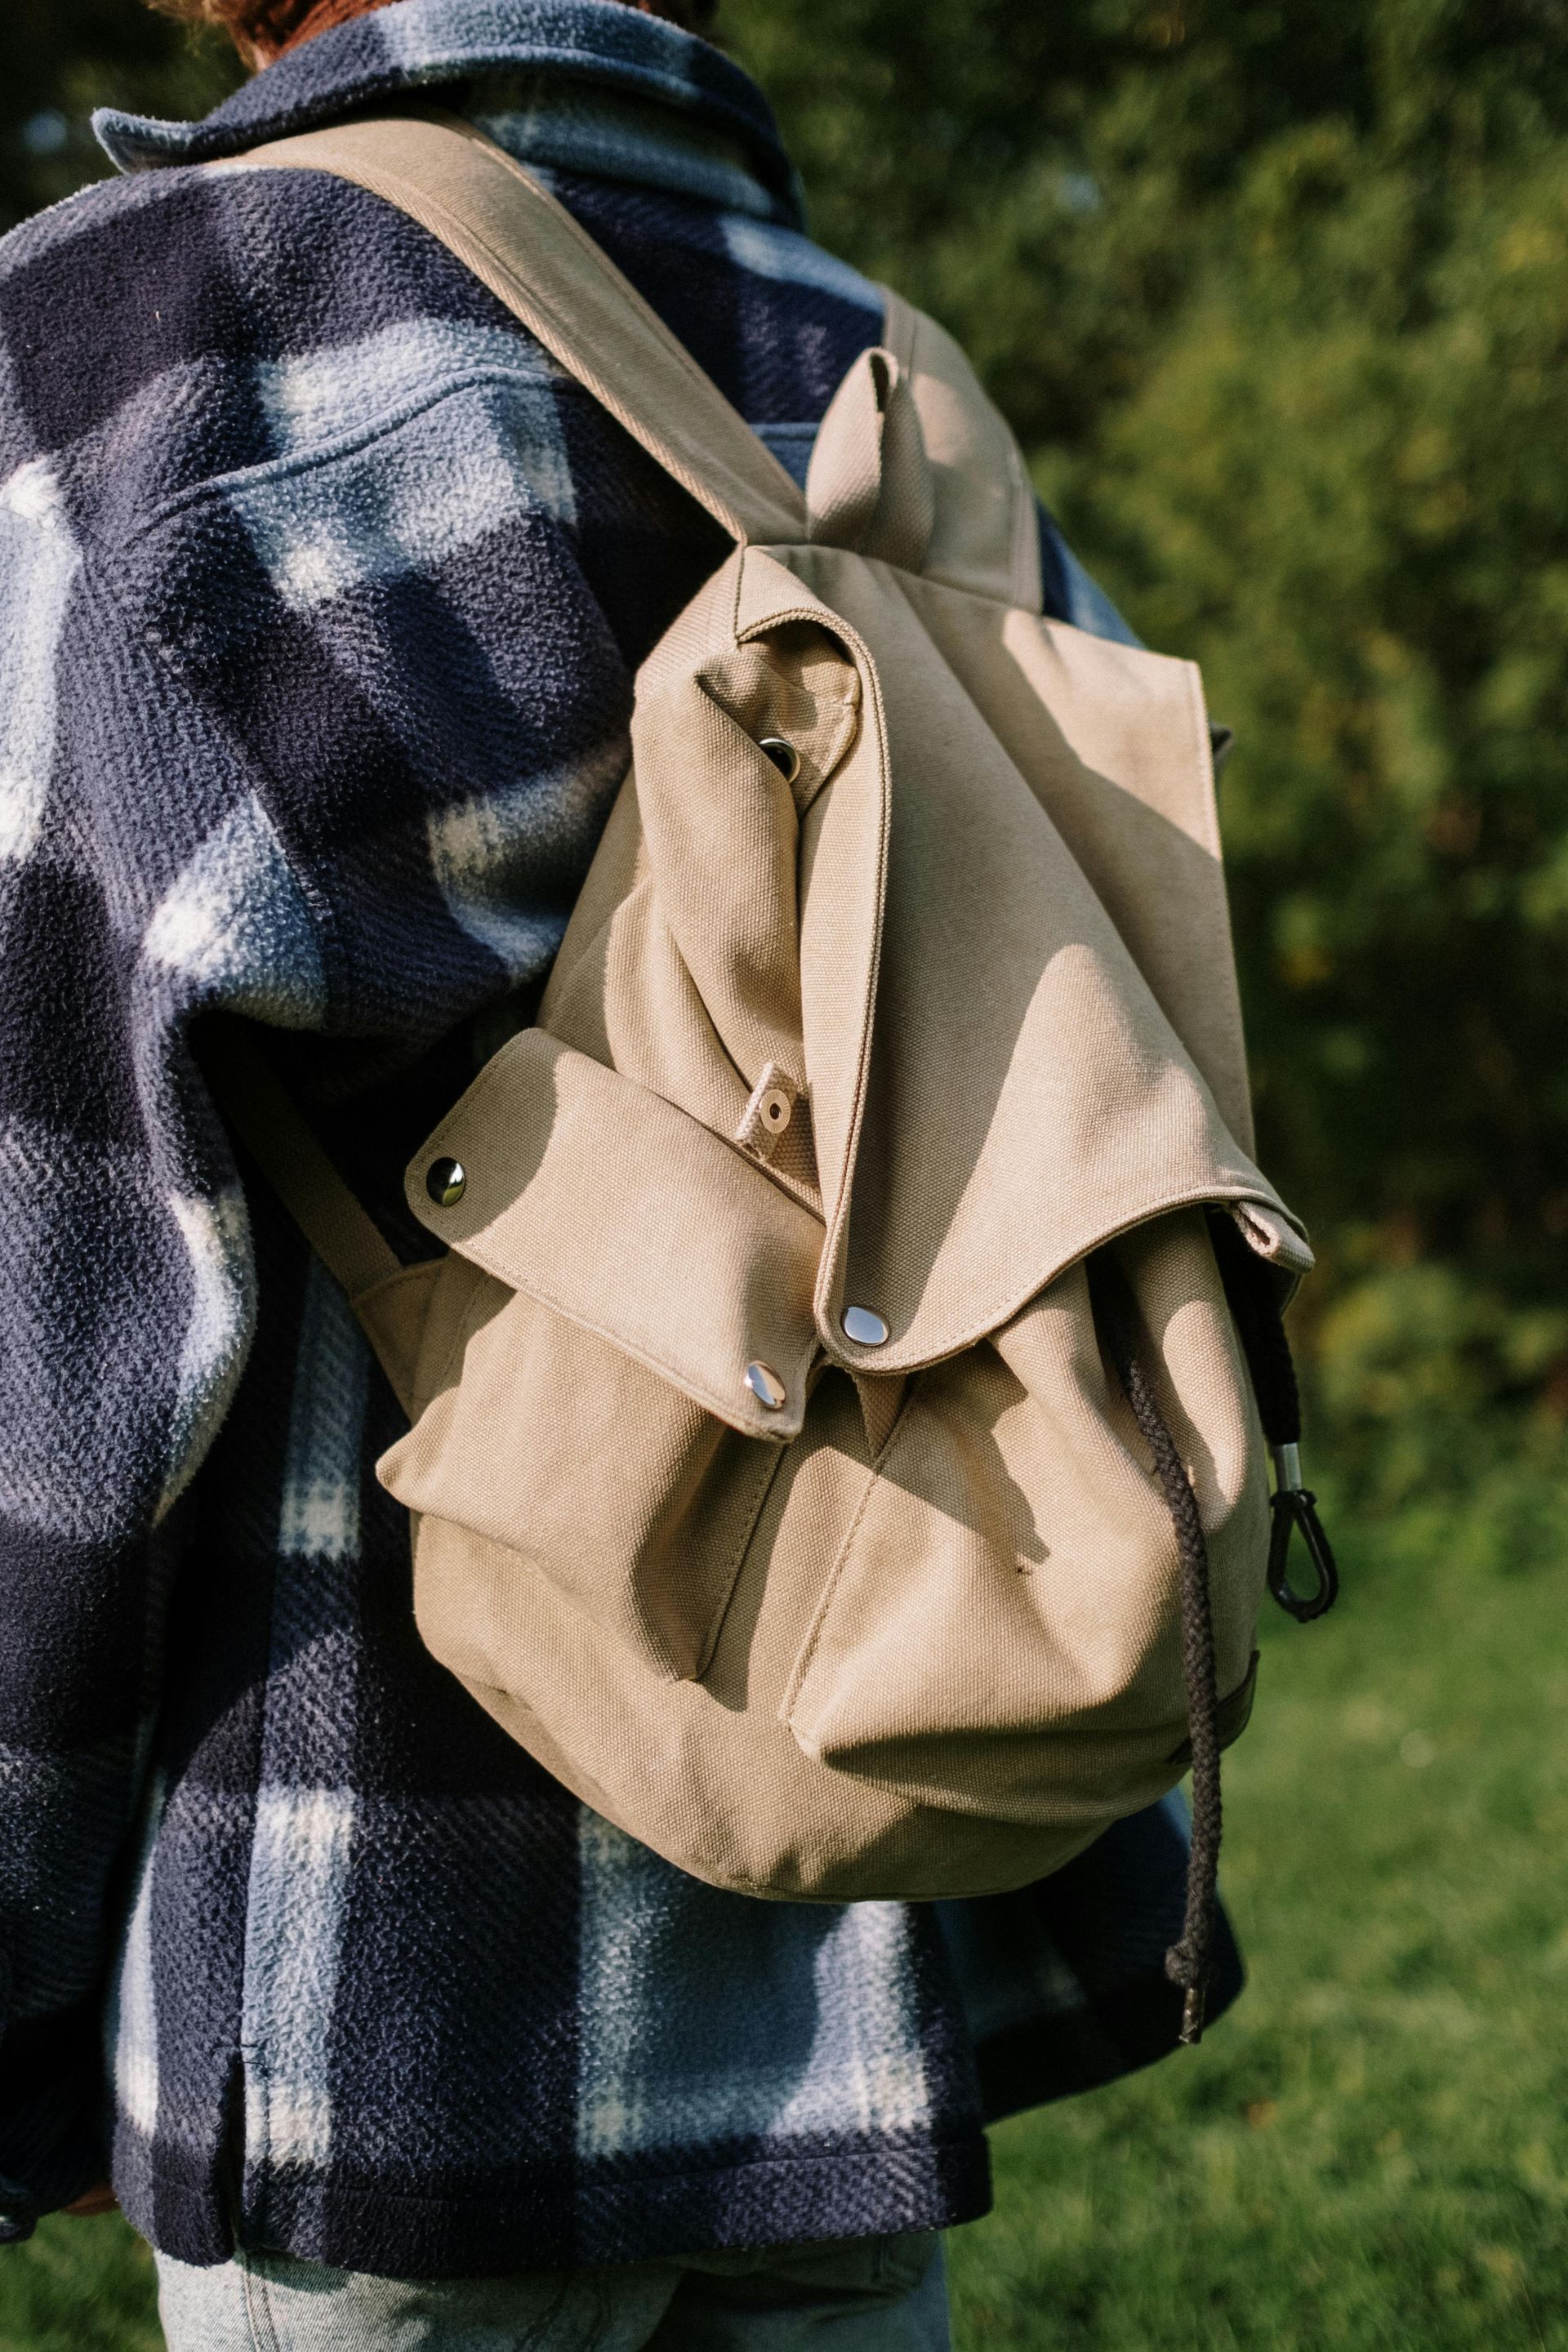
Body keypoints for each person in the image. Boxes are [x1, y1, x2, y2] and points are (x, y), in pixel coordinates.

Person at [0, 2, 1243, 2342]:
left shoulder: (128, 338)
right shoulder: (880, 354)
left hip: (362, 1980)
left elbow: (49, 1297)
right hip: (857, 1912)